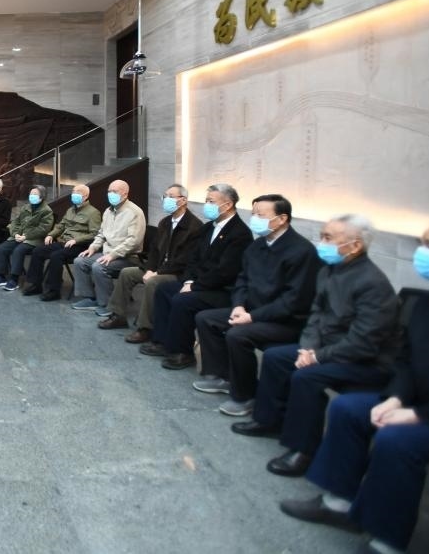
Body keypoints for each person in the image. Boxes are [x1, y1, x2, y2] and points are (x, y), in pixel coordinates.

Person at [278, 220, 429, 554]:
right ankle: (338, 502)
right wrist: (396, 398)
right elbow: (407, 359)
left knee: (396, 440)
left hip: (427, 410)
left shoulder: (371, 282)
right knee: (348, 409)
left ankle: (386, 540)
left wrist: (417, 415)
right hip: (414, 399)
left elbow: (367, 342)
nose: (423, 254)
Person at [231, 214, 402, 478]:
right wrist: (306, 348)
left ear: (355, 246)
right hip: (327, 349)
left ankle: (303, 450)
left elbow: (363, 342)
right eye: (321, 236)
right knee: (277, 358)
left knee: (306, 377)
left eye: (328, 238)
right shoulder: (329, 270)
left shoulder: (372, 283)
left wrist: (317, 356)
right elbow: (316, 316)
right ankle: (268, 420)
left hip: (366, 361)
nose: (321, 243)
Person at [192, 194, 321, 417]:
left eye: (261, 215)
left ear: (282, 219)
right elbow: (242, 279)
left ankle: (246, 395)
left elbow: (293, 300)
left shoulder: (302, 251)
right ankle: (223, 376)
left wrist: (252, 317)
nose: (254, 219)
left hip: (286, 320)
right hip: (251, 310)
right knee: (206, 318)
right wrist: (238, 306)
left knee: (238, 335)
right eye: (253, 214)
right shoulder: (258, 245)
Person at [138, 183, 253, 366]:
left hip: (221, 289)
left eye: (211, 201)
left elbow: (225, 271)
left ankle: (182, 351)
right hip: (198, 282)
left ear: (228, 204)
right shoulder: (208, 228)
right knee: (164, 289)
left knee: (182, 300)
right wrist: (189, 280)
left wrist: (195, 286)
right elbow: (193, 259)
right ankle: (161, 341)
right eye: (206, 201)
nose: (207, 205)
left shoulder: (240, 233)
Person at [99, 184, 204, 333]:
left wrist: (157, 272)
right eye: (165, 196)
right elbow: (154, 251)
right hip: (157, 268)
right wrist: (149, 269)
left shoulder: (195, 227)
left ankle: (145, 327)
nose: (166, 200)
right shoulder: (165, 222)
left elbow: (184, 260)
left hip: (177, 272)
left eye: (171, 197)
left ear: (183, 200)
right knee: (127, 273)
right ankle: (118, 315)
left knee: (153, 282)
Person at [70, 179, 146, 313]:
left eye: (115, 191)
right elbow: (101, 234)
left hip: (128, 257)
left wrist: (113, 255)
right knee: (80, 261)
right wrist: (93, 247)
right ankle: (90, 298)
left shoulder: (134, 212)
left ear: (125, 194)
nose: (111, 194)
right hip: (107, 253)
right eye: (109, 191)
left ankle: (109, 304)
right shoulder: (108, 211)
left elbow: (133, 241)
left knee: (99, 266)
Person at [23, 184, 102, 301]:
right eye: (73, 191)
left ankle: (53, 290)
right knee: (38, 251)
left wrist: (76, 240)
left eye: (78, 192)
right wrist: (51, 234)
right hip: (64, 242)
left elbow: (94, 234)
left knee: (56, 256)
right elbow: (61, 226)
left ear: (85, 196)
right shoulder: (70, 210)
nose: (74, 194)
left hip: (80, 246)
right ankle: (35, 285)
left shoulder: (93, 213)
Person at [0, 185, 54, 291]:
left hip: (34, 240)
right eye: (31, 193)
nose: (32, 196)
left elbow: (43, 229)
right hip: (19, 236)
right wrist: (15, 234)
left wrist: (26, 236)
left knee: (18, 250)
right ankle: (1, 276)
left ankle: (14, 279)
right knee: (3, 247)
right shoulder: (26, 207)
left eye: (35, 194)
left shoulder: (47, 211)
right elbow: (15, 222)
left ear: (42, 197)